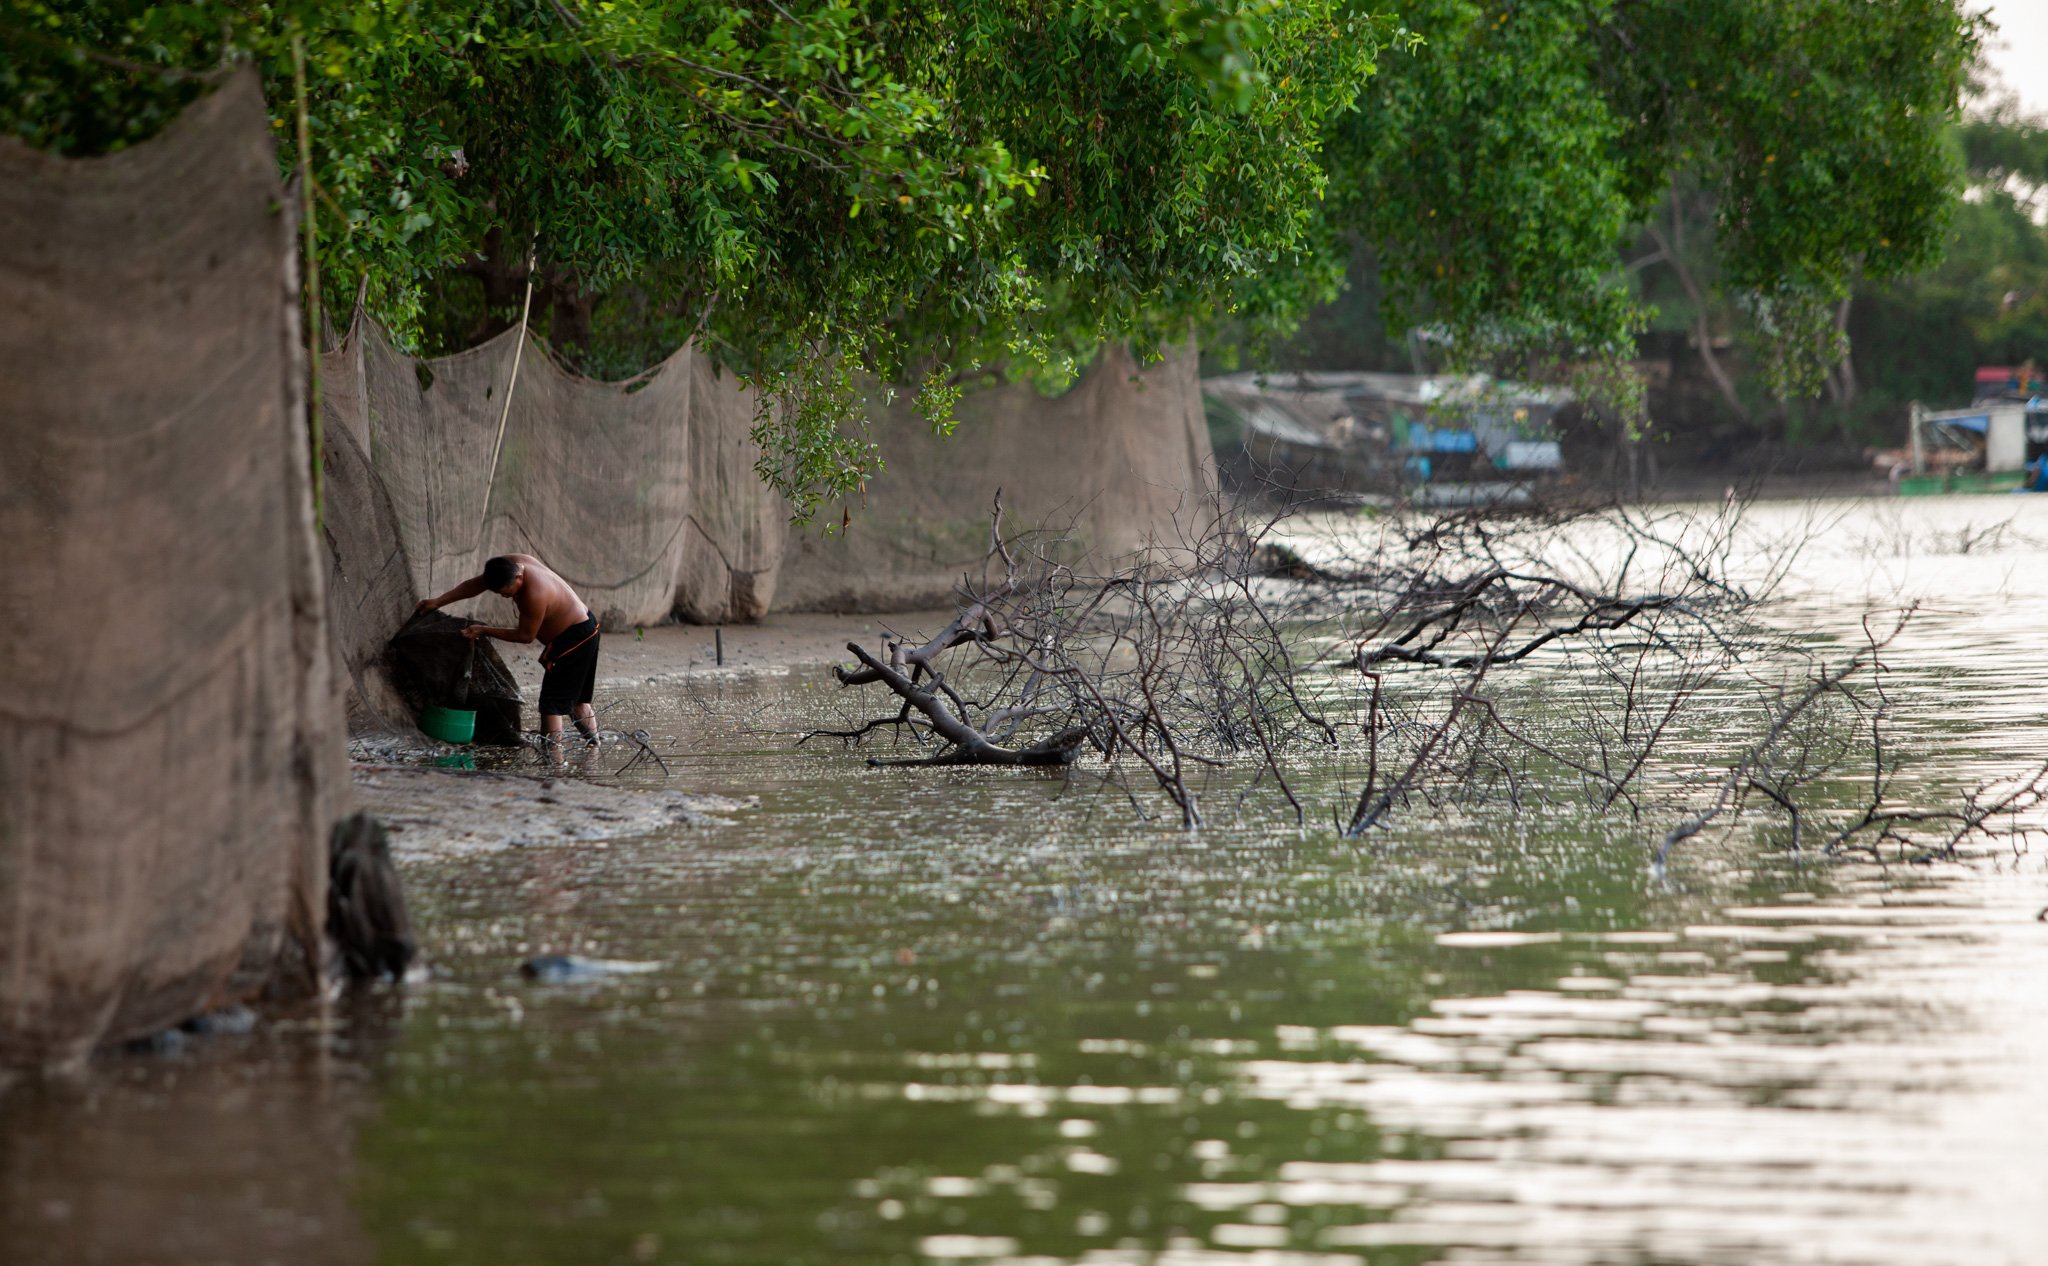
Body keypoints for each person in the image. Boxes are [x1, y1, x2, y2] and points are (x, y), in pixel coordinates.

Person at [417, 554, 601, 748]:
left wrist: (484, 629)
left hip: (573, 640)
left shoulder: (534, 594)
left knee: (551, 705)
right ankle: (594, 747)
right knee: (578, 701)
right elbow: (475, 585)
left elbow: (525, 636)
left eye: (506, 593)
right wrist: (438, 601)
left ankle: (553, 763)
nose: (504, 596)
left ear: (518, 578)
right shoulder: (506, 565)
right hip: (587, 627)